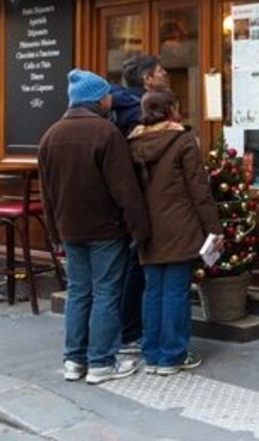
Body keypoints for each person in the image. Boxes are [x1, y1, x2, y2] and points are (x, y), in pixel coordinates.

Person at [38, 69, 150, 385]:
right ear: (96, 99)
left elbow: (46, 194)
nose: (109, 99)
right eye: (105, 95)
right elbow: (124, 188)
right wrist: (139, 229)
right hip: (106, 229)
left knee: (78, 293)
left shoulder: (51, 135)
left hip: (70, 229)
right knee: (105, 293)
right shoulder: (106, 132)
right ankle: (101, 362)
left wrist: (54, 231)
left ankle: (74, 360)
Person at [128, 90, 222, 375]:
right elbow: (199, 190)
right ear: (170, 109)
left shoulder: (133, 143)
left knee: (153, 290)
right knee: (176, 292)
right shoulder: (182, 140)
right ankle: (172, 355)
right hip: (181, 225)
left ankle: (153, 354)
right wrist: (214, 229)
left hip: (149, 228)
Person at [108, 53, 169, 356]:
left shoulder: (118, 107)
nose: (165, 74)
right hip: (139, 198)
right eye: (160, 71)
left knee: (125, 265)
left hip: (118, 198)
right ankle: (131, 332)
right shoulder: (135, 112)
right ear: (147, 80)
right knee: (136, 265)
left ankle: (123, 331)